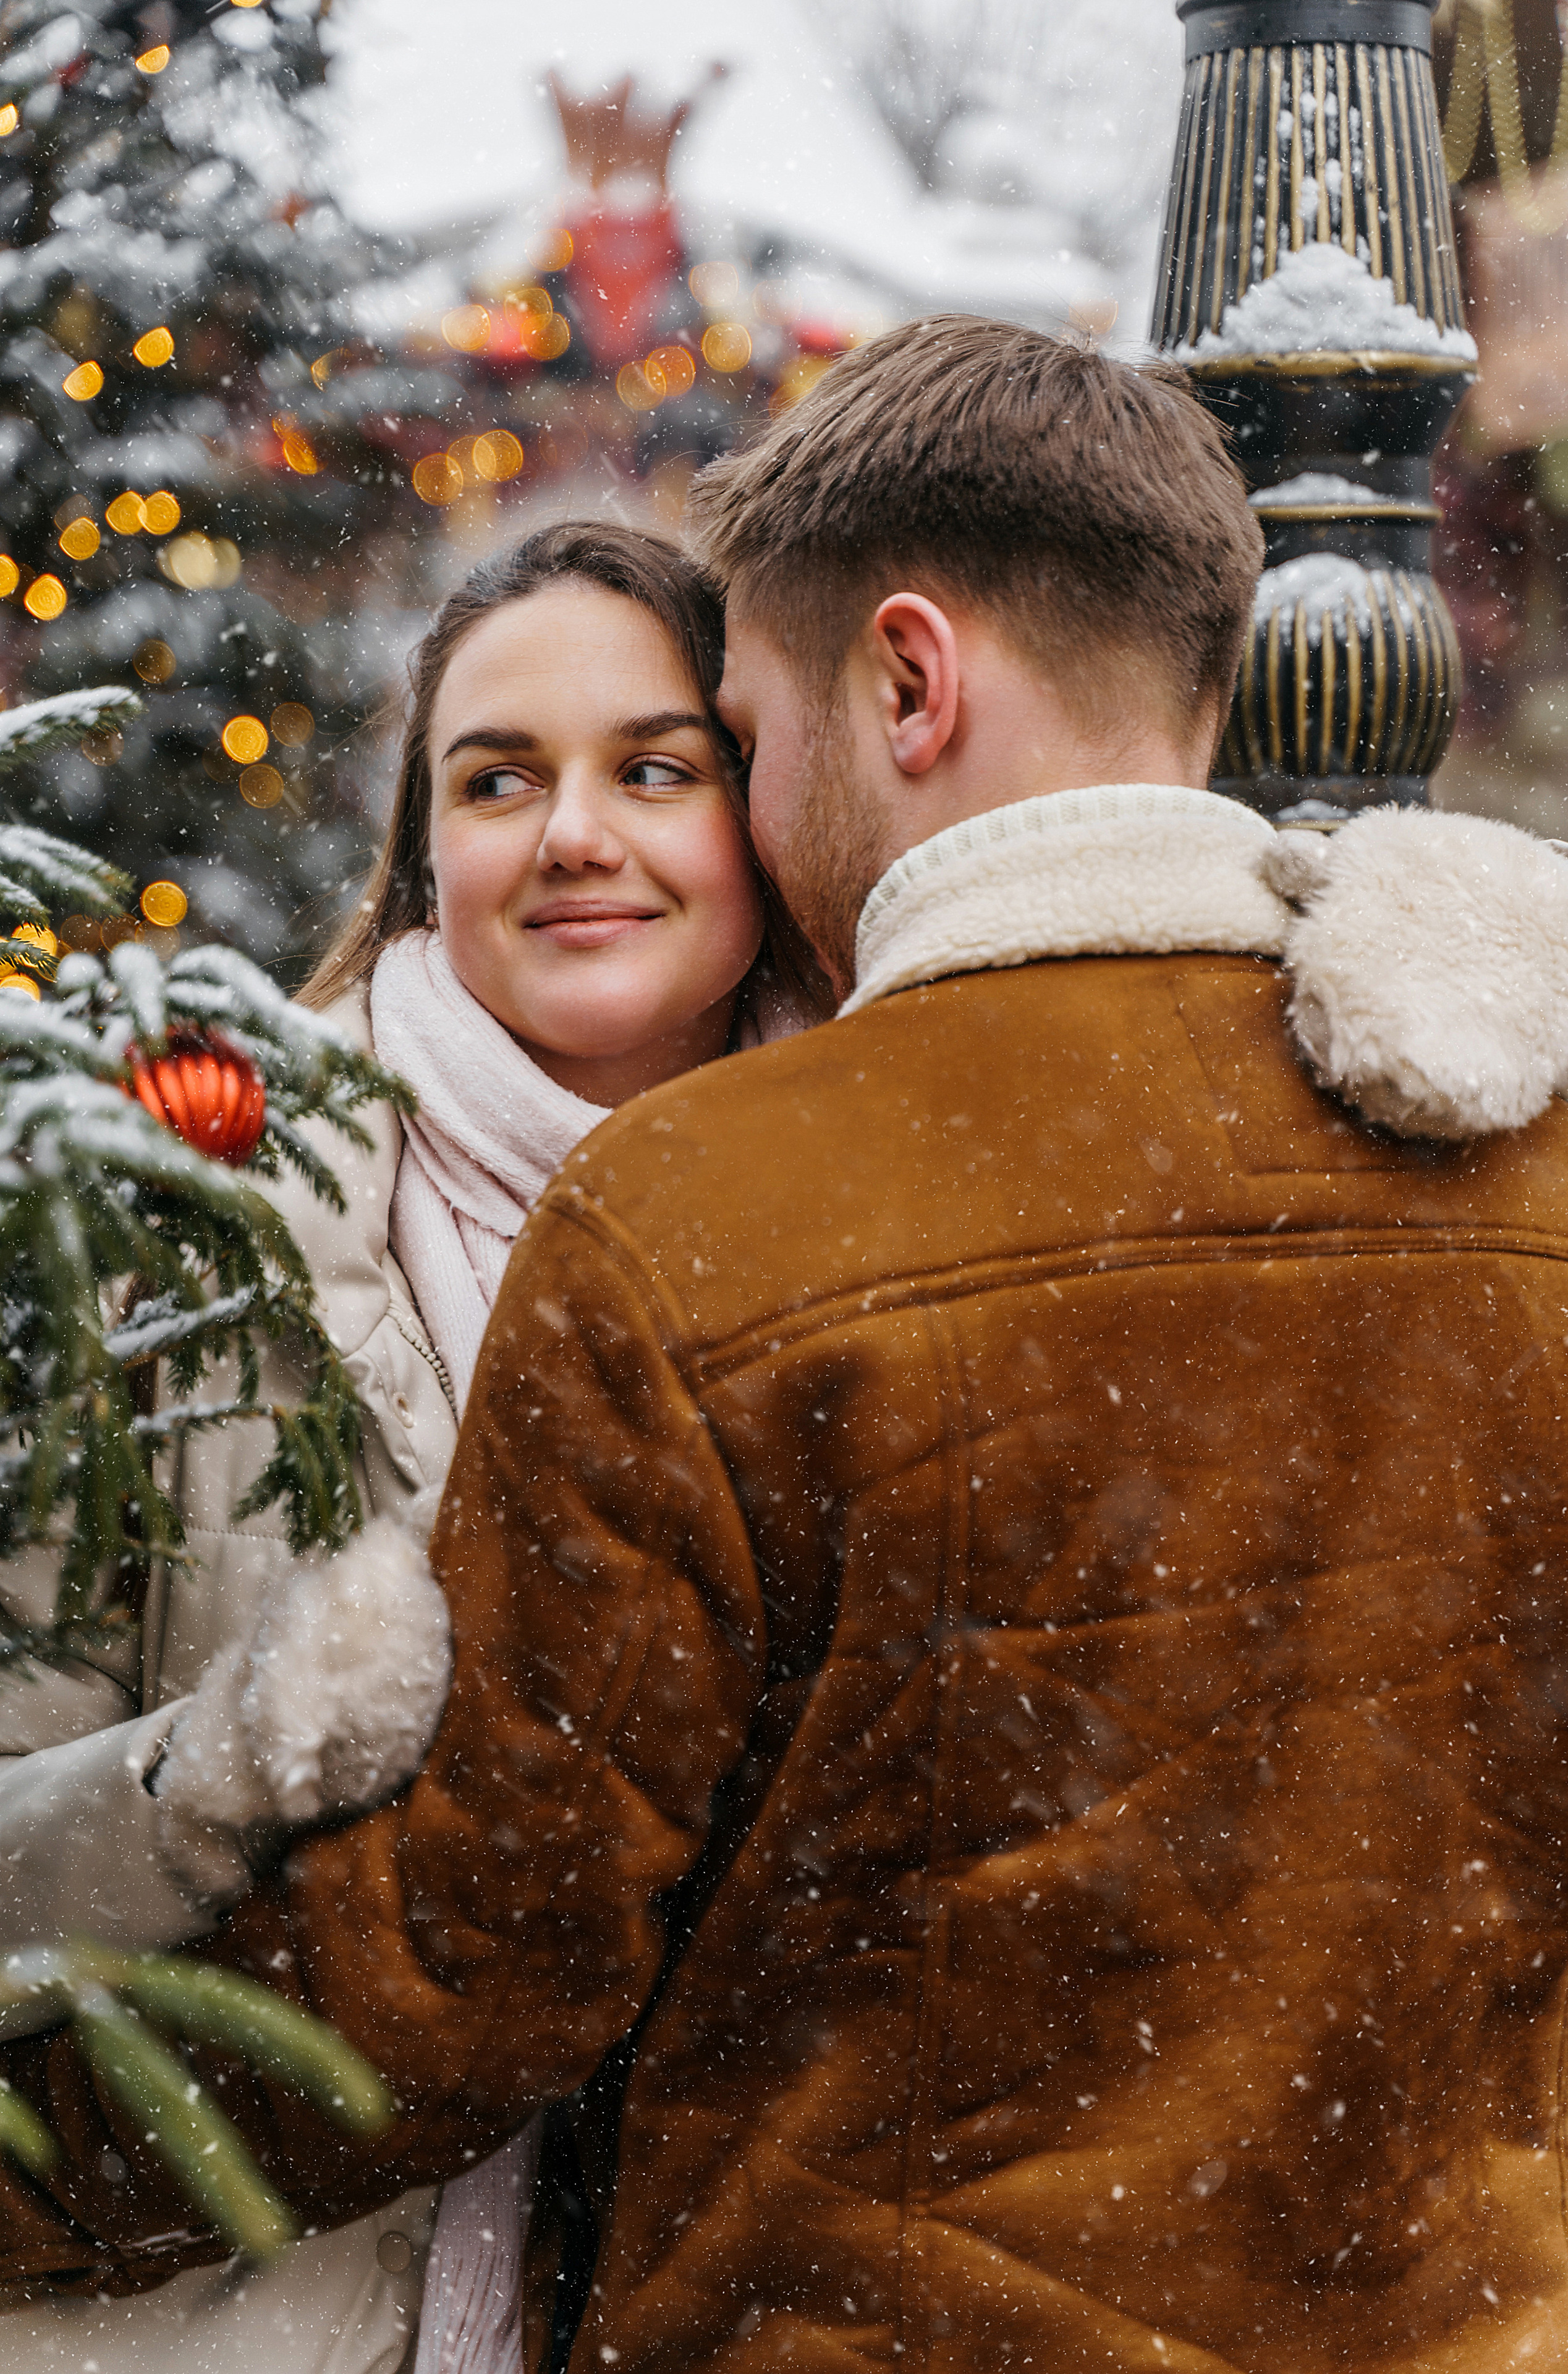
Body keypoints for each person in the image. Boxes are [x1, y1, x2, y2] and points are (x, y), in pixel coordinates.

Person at [9, 318, 1568, 2374]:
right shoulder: (1526, 1164)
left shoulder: (719, 1213)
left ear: (909, 681)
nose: (696, 808)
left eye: (724, 737)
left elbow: (476, 1961)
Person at [0, 521, 824, 2373]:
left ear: (764, 819)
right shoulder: (189, 1231)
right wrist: (216, 1775)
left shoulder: (884, 1243)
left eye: (656, 769)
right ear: (423, 852)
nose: (574, 834)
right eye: (497, 778)